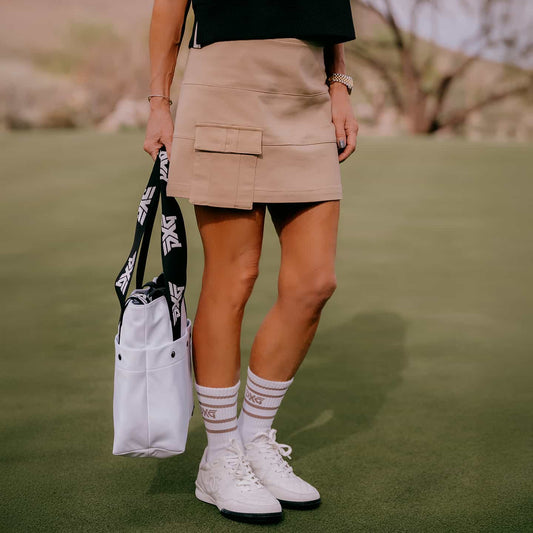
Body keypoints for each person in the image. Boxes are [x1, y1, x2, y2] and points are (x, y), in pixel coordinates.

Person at [144, 0, 358, 523]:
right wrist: (159, 102)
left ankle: (255, 438)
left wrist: (339, 84)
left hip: (306, 91)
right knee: (233, 277)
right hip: (226, 88)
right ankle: (220, 456)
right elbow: (169, 10)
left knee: (315, 283)